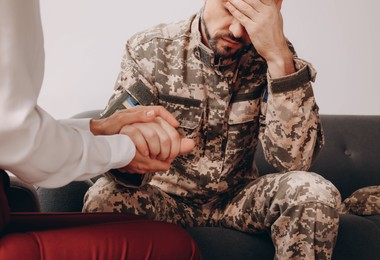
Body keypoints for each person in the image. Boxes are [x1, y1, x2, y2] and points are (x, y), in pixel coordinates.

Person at [83, 0, 342, 259]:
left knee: (315, 192)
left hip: (237, 201)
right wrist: (136, 154)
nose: (238, 31)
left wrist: (279, 58)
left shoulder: (272, 56)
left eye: (251, 18)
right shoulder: (151, 49)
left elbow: (293, 161)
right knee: (104, 197)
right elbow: (113, 148)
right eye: (231, 9)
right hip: (165, 198)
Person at [0, 0, 194, 188]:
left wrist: (98, 128)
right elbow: (17, 135)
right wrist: (123, 150)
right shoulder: (151, 47)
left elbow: (15, 130)